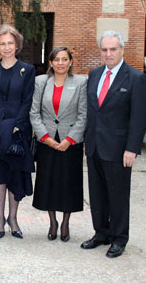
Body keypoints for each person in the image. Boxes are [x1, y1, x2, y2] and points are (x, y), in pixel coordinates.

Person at [81, 30, 146, 258]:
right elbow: (92, 111)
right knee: (97, 194)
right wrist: (86, 139)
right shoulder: (94, 74)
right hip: (94, 146)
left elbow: (139, 118)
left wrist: (132, 148)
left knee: (118, 195)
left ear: (122, 50)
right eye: (104, 50)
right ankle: (101, 233)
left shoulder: (136, 78)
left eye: (113, 49)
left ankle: (119, 238)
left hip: (119, 149)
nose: (108, 54)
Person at [0, 24, 35, 239]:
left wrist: (15, 126)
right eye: (2, 43)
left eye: (10, 43)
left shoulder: (27, 70)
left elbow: (27, 101)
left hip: (17, 131)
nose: (6, 47)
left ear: (17, 45)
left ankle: (13, 219)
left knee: (15, 173)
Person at [30, 47, 87, 242]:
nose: (60, 63)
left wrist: (70, 140)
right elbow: (34, 113)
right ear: (51, 62)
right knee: (49, 183)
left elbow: (83, 114)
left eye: (64, 59)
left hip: (69, 143)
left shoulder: (80, 82)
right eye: (57, 59)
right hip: (47, 142)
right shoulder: (41, 82)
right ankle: (53, 221)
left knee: (68, 183)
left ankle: (65, 222)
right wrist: (44, 136)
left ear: (70, 62)